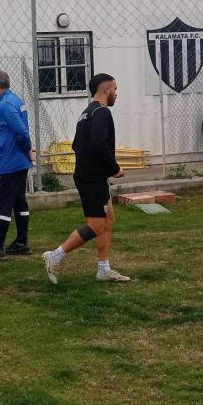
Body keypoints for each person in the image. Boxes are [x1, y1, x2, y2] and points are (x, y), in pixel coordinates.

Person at [42, 73, 131, 284]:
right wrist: (114, 168)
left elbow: (76, 145)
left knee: (108, 219)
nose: (116, 93)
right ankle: (55, 256)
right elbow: (99, 143)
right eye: (115, 89)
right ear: (106, 89)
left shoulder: (86, 113)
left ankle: (104, 269)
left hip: (89, 175)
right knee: (96, 225)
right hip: (92, 178)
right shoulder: (102, 112)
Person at [0, 70, 35, 260]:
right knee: (19, 201)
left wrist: (27, 149)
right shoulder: (15, 100)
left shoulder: (6, 105)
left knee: (3, 204)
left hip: (10, 163)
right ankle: (21, 243)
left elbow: (21, 132)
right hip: (18, 162)